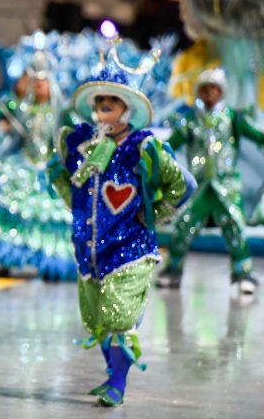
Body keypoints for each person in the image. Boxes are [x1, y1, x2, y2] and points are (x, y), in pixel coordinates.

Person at [48, 49, 194, 407]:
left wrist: (153, 213)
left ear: (125, 110)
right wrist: (76, 205)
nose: (102, 113)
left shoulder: (143, 148)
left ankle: (117, 383)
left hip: (129, 248)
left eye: (110, 106)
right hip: (88, 250)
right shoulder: (81, 146)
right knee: (97, 319)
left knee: (118, 316)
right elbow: (59, 175)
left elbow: (184, 186)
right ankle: (112, 376)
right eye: (99, 106)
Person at [157, 68, 264, 293]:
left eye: (213, 88)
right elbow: (172, 143)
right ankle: (173, 271)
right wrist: (154, 153)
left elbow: (256, 134)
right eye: (205, 88)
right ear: (199, 92)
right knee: (183, 225)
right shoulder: (191, 120)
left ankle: (243, 274)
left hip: (226, 187)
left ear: (221, 92)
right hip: (199, 188)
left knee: (234, 226)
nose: (209, 93)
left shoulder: (232, 117)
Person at [0, 49, 77, 280]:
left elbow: (76, 133)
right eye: (35, 81)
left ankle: (51, 264)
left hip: (49, 171)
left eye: (44, 81)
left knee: (50, 220)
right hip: (23, 167)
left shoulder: (61, 112)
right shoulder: (20, 109)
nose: (39, 85)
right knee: (12, 212)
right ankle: (10, 260)